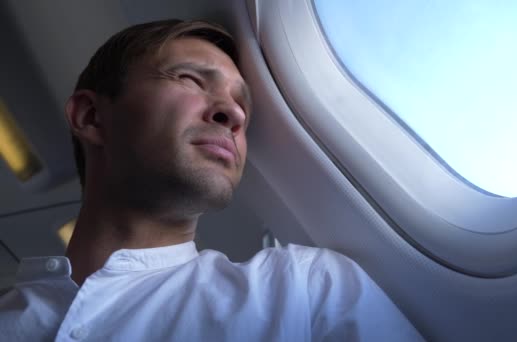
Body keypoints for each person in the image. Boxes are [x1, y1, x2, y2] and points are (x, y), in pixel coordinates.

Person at [0, 19, 423, 341]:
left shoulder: (306, 289)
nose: (234, 114)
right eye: (189, 79)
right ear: (91, 117)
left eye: (242, 104)